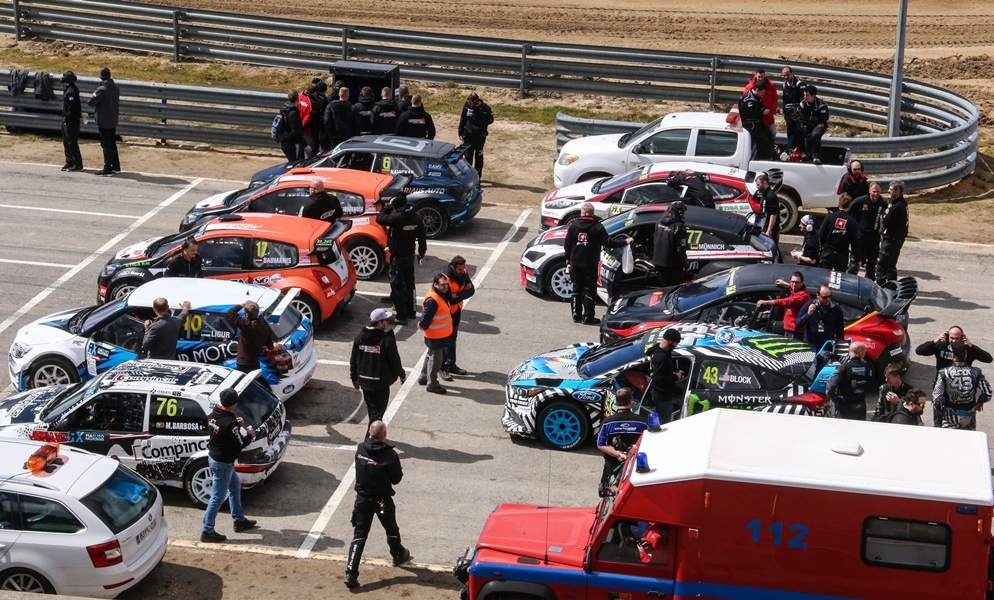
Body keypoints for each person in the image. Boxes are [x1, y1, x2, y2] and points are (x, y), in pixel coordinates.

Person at [345, 420, 411, 589]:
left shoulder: (360, 448)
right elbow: (396, 479)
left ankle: (350, 573)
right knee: (391, 528)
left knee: (359, 536)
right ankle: (397, 554)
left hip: (362, 500)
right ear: (384, 435)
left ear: (369, 433)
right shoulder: (390, 455)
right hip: (381, 500)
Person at [201, 388, 258, 543]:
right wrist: (251, 435)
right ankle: (207, 530)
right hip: (223, 463)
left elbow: (222, 428)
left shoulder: (215, 413)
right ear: (235, 402)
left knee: (234, 487)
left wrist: (235, 424)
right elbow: (241, 444)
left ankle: (239, 520)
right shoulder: (229, 423)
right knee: (217, 498)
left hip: (216, 458)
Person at [563, 202, 632, 325]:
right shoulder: (597, 227)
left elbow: (567, 244)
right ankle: (588, 317)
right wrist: (624, 241)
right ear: (592, 213)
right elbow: (608, 242)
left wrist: (568, 258)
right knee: (590, 290)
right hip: (590, 264)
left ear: (583, 213)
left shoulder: (574, 225)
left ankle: (576, 314)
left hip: (575, 263)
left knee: (576, 289)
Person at [917, 326, 993, 427]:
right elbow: (919, 350)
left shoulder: (966, 349)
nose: (954, 341)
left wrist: (972, 346)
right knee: (940, 425)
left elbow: (988, 358)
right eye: (951, 338)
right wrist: (935, 341)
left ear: (962, 338)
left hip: (961, 392)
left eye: (957, 338)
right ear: (947, 336)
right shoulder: (941, 346)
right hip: (944, 391)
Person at [376, 192, 427, 325]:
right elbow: (422, 236)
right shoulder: (416, 217)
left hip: (398, 257)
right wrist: (422, 252)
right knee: (410, 285)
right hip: (410, 255)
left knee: (397, 286)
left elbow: (380, 218)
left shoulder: (396, 217)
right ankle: (411, 311)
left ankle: (401, 316)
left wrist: (388, 205)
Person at [350, 309, 406, 423]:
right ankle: (371, 438)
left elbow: (354, 359)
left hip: (365, 383)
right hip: (380, 384)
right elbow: (394, 360)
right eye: (386, 320)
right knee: (377, 414)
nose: (388, 322)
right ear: (380, 323)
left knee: (372, 411)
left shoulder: (359, 338)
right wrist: (402, 374)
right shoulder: (386, 340)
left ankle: (373, 436)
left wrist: (354, 378)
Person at [596, 388, 647, 497]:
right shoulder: (642, 422)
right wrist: (629, 454)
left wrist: (619, 454)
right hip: (635, 465)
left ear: (616, 402)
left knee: (606, 494)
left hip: (612, 464)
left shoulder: (607, 422)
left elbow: (601, 445)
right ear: (631, 402)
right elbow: (648, 443)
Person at [933, 342, 992, 430]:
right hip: (969, 416)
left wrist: (942, 411)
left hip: (950, 416)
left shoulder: (944, 373)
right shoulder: (976, 372)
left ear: (953, 355)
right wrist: (980, 401)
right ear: (965, 355)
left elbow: (936, 398)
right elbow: (988, 393)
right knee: (968, 441)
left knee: (948, 442)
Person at [416, 274, 453, 394]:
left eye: (446, 284)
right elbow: (426, 316)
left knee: (430, 354)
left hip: (438, 334)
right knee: (436, 359)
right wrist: (422, 325)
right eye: (442, 285)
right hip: (436, 335)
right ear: (436, 284)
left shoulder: (438, 294)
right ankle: (432, 384)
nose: (445, 287)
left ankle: (423, 377)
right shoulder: (433, 299)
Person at [440, 256, 475, 379]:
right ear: (453, 267)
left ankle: (451, 364)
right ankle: (442, 367)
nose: (462, 271)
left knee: (452, 338)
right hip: (446, 314)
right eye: (460, 269)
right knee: (445, 339)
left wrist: (458, 295)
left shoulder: (463, 273)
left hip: (456, 311)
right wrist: (463, 291)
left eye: (463, 268)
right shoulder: (444, 278)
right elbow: (449, 298)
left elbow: (471, 290)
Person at [225, 301, 282, 373]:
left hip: (243, 363)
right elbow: (270, 346)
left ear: (246, 315)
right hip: (255, 364)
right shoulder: (265, 328)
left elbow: (230, 312)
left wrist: (241, 305)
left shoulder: (247, 325)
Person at [756, 271, 810, 340]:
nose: (794, 284)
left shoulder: (803, 295)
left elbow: (787, 302)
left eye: (797, 282)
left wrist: (767, 302)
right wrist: (785, 284)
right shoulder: (797, 290)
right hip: (791, 330)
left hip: (794, 333)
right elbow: (792, 288)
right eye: (792, 282)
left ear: (802, 283)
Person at [827, 342, 874, 421]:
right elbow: (871, 383)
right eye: (865, 352)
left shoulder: (844, 366)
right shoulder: (867, 366)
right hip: (860, 405)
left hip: (845, 405)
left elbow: (831, 385)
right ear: (860, 352)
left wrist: (834, 397)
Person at [87, 67, 120, 177]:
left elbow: (91, 102)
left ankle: (107, 169)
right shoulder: (116, 88)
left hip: (103, 120)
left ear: (101, 76)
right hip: (113, 119)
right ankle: (116, 166)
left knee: (105, 145)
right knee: (112, 143)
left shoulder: (101, 89)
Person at [849, 182, 886, 279]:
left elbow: (887, 217)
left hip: (874, 236)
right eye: (874, 191)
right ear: (869, 191)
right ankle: (850, 280)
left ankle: (869, 282)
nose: (875, 194)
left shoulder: (883, 203)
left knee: (872, 262)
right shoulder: (860, 201)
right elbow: (848, 212)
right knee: (855, 261)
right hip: (860, 235)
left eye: (878, 192)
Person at [876, 180, 909, 285]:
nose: (888, 191)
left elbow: (886, 222)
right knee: (891, 266)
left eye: (890, 189)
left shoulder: (898, 206)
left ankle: (880, 291)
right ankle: (892, 288)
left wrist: (885, 214)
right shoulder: (902, 204)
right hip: (897, 239)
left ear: (897, 191)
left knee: (882, 266)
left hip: (891, 240)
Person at [795, 284, 845, 352]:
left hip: (826, 346)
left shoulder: (836, 309)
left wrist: (838, 348)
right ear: (818, 295)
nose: (828, 299)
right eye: (825, 297)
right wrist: (808, 314)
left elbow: (840, 330)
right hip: (810, 346)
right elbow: (798, 323)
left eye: (830, 297)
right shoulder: (809, 305)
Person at [648, 328, 684, 423]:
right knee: (664, 421)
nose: (676, 346)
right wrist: (676, 376)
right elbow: (659, 379)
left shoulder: (659, 351)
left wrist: (674, 371)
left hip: (658, 394)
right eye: (676, 343)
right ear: (670, 341)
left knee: (660, 416)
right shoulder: (661, 358)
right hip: (663, 397)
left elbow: (663, 370)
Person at [651, 201, 688, 287]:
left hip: (658, 261)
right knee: (675, 289)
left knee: (662, 289)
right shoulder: (679, 226)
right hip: (672, 264)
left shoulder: (659, 222)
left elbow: (655, 240)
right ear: (680, 212)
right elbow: (680, 247)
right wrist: (685, 264)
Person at [458, 92, 494, 177]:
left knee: (479, 156)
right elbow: (463, 118)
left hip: (480, 137)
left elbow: (491, 120)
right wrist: (460, 132)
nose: (469, 104)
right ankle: (468, 175)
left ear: (476, 102)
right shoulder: (467, 106)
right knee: (468, 156)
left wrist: (481, 126)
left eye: (471, 102)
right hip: (468, 136)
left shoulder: (486, 109)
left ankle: (477, 176)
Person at [818, 194, 856, 271]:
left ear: (838, 204)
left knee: (823, 277)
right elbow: (855, 241)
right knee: (839, 278)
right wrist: (858, 258)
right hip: (842, 254)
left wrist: (820, 248)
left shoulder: (829, 217)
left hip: (828, 252)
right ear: (849, 206)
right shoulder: (851, 221)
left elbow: (821, 235)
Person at [738, 84, 776, 160]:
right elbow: (753, 113)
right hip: (750, 124)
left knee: (769, 135)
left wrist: (765, 109)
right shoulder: (747, 100)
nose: (763, 94)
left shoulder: (756, 97)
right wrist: (763, 112)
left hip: (757, 122)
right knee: (763, 141)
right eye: (762, 92)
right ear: (757, 90)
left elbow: (760, 105)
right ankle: (766, 157)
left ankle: (767, 155)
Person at [744, 69, 778, 144]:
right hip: (755, 118)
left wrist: (771, 110)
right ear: (755, 75)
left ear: (765, 76)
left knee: (772, 132)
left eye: (762, 77)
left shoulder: (771, 85)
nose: (760, 78)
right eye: (759, 77)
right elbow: (745, 101)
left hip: (768, 116)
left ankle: (771, 149)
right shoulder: (750, 87)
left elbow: (774, 98)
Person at [780, 66, 807, 156]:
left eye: (787, 75)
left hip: (798, 112)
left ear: (792, 73)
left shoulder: (800, 84)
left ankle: (802, 151)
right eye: (784, 75)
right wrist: (785, 110)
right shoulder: (784, 84)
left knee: (800, 131)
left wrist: (798, 111)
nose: (786, 77)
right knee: (790, 131)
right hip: (789, 113)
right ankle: (791, 150)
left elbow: (804, 100)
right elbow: (784, 100)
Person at [60, 69, 83, 172]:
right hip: (66, 119)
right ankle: (69, 162)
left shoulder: (72, 91)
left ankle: (77, 164)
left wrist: (71, 117)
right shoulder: (68, 89)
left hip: (71, 120)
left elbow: (74, 108)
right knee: (66, 141)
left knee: (71, 142)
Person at [800, 85, 829, 163]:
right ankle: (804, 153)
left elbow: (823, 119)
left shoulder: (821, 105)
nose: (805, 97)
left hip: (819, 126)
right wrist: (812, 120)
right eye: (804, 95)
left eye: (807, 95)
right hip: (809, 125)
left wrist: (811, 119)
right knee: (800, 131)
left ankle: (816, 156)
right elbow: (802, 118)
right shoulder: (802, 104)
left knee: (816, 134)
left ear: (813, 96)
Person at [277, 90, 307, 162]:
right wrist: (305, 145)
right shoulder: (293, 113)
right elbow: (296, 132)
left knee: (291, 162)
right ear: (297, 98)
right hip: (292, 143)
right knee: (295, 163)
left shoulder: (284, 109)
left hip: (285, 141)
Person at [753, 172, 780, 247]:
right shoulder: (764, 194)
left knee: (771, 247)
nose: (757, 187)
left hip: (770, 228)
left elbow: (774, 214)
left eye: (758, 185)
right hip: (764, 226)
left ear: (764, 183)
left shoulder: (771, 196)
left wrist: (769, 230)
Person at [297, 84, 314, 158]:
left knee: (297, 153)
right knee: (307, 154)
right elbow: (307, 118)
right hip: (306, 131)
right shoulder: (309, 102)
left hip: (296, 130)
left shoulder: (299, 96)